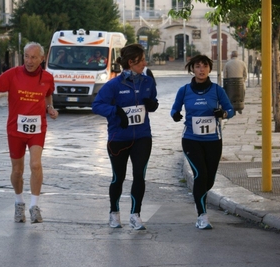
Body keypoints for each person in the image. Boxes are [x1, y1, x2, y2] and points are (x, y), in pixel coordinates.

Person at [0, 42, 59, 224]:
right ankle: (19, 203)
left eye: (33, 57)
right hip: (15, 129)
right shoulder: (13, 74)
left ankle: (34, 206)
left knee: (35, 165)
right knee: (17, 171)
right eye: (26, 56)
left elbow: (48, 94)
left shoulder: (47, 77)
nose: (29, 61)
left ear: (42, 59)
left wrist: (50, 108)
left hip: (37, 129)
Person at [92, 43, 159, 230]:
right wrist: (115, 111)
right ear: (131, 62)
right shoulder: (113, 85)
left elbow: (153, 100)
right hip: (119, 137)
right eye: (142, 60)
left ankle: (135, 214)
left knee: (139, 175)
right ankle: (114, 212)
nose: (145, 63)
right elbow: (96, 105)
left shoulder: (148, 82)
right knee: (118, 177)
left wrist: (152, 104)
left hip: (142, 136)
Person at [170, 55, 234, 230]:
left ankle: (200, 200)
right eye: (198, 66)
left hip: (213, 140)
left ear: (209, 69)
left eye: (205, 66)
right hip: (191, 139)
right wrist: (175, 115)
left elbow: (230, 110)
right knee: (200, 175)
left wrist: (223, 114)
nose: (201, 69)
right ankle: (202, 216)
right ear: (192, 69)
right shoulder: (184, 90)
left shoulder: (217, 90)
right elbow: (174, 109)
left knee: (209, 180)